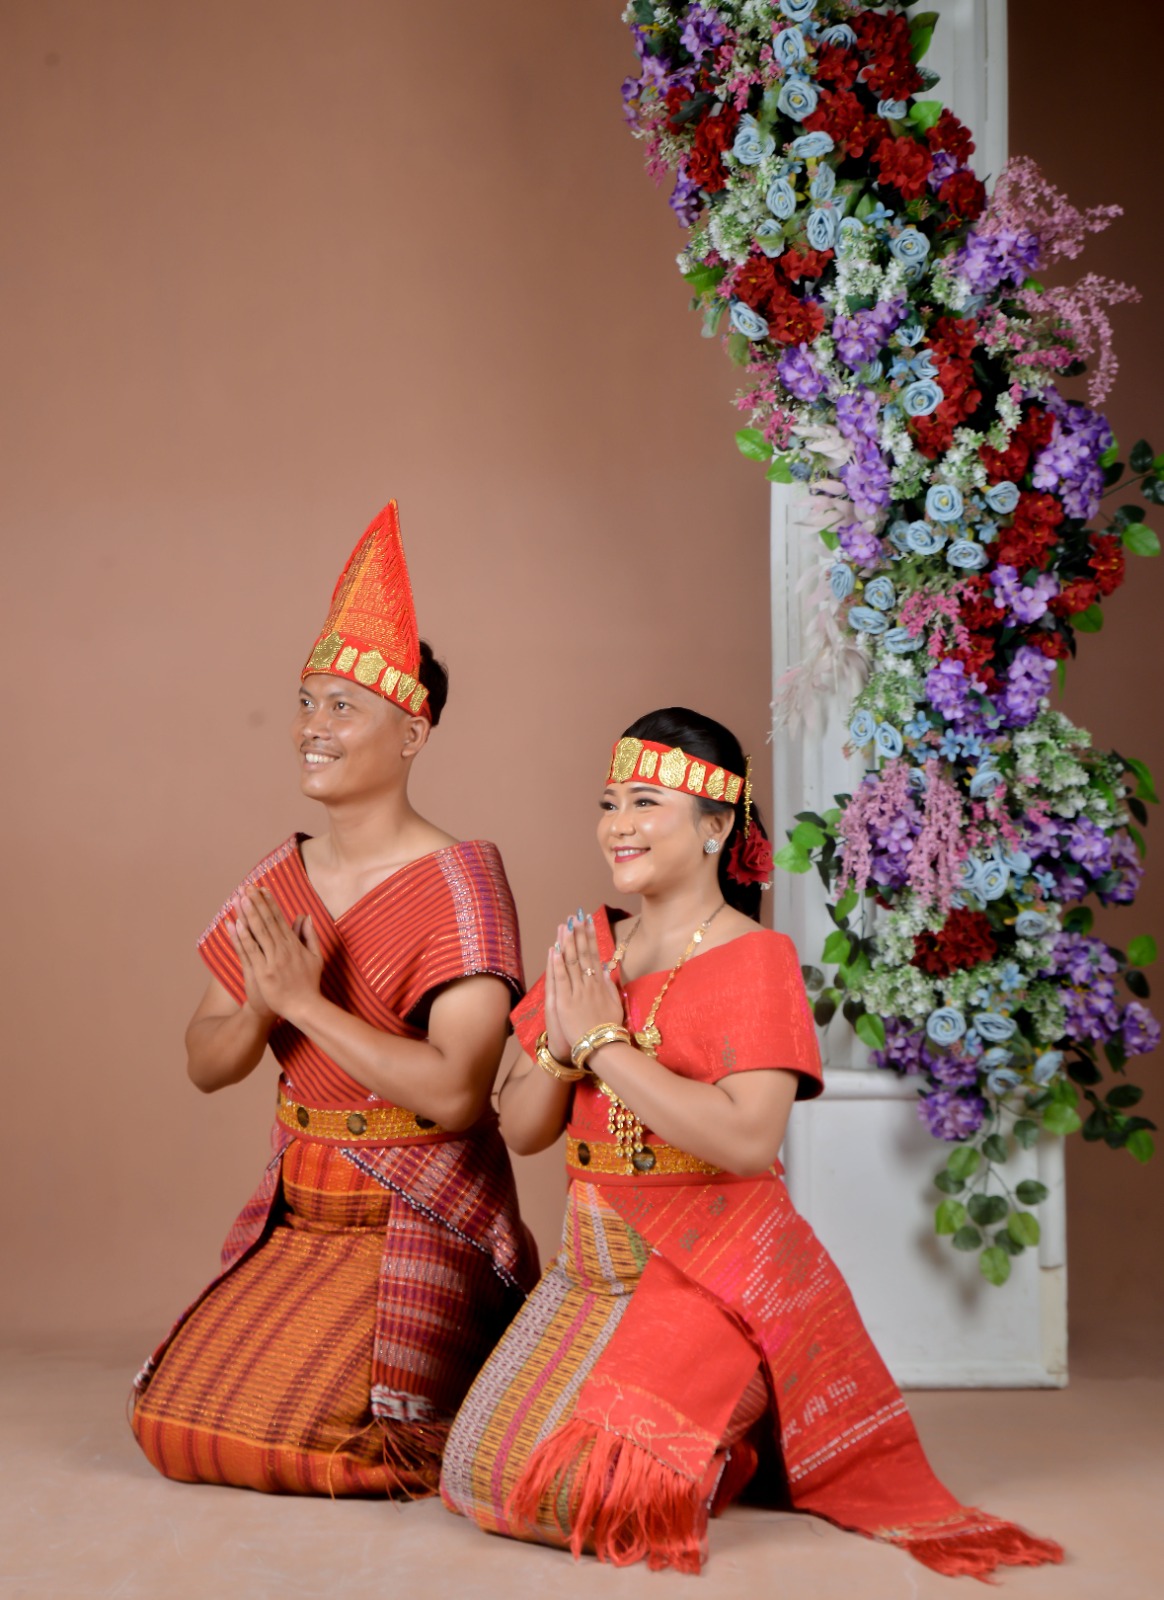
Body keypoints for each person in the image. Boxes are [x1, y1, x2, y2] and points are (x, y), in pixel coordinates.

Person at [440, 707, 1062, 1579]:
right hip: (589, 1270)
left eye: (646, 803)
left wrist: (604, 1045)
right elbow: (524, 1128)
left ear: (716, 826)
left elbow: (745, 1138)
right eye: (610, 803)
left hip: (709, 1279)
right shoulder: (595, 948)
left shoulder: (757, 958)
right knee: (475, 1478)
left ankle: (729, 1408)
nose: (618, 824)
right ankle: (712, 1440)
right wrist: (563, 1036)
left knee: (577, 1501)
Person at [131, 501, 537, 1497]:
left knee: (343, 1443)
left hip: (419, 1209)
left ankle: (480, 1348)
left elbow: (455, 1093)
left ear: (412, 732)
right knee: (171, 1422)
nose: (313, 727)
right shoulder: (281, 875)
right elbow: (204, 1059)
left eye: (343, 708)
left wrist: (304, 1005)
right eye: (306, 702)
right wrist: (261, 1006)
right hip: (303, 1205)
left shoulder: (463, 883)